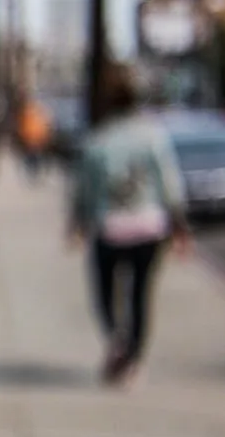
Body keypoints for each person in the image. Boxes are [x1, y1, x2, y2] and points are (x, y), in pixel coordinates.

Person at [68, 69, 188, 384]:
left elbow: (84, 188)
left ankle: (116, 338)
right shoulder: (153, 138)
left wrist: (77, 223)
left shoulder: (99, 140)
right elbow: (169, 183)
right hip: (149, 226)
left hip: (111, 226)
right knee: (140, 295)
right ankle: (133, 354)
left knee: (106, 292)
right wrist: (179, 225)